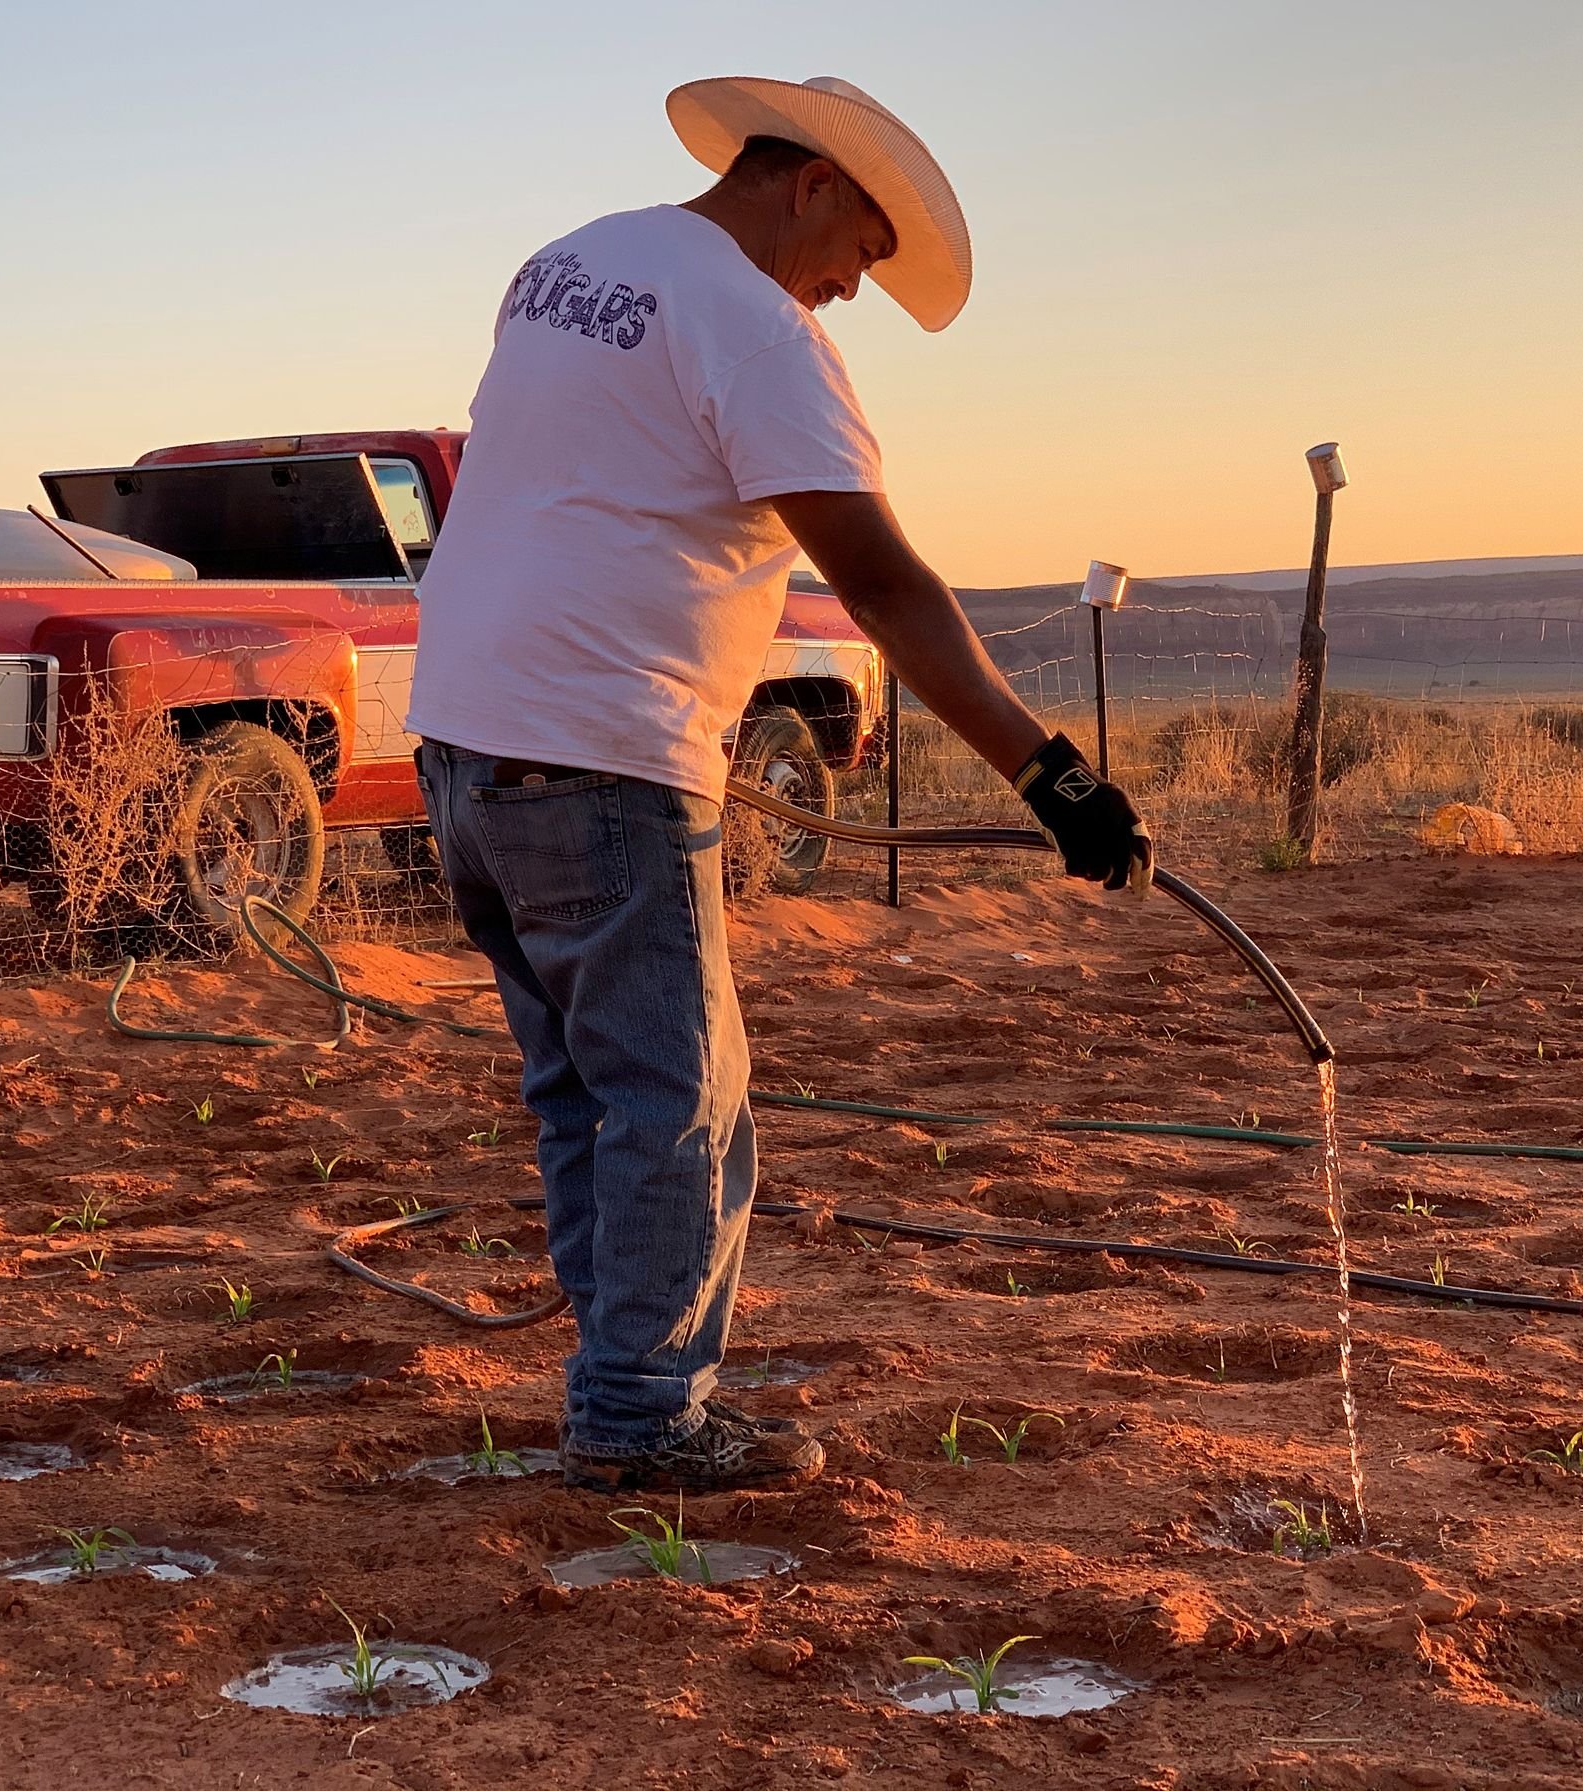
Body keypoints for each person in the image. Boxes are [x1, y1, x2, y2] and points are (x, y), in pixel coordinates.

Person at [406, 75, 1149, 1494]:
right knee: (681, 1103)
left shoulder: (569, 263)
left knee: (587, 1094)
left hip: (463, 748)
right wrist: (1053, 777)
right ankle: (641, 1418)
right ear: (810, 182)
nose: (849, 289)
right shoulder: (758, 328)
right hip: (604, 757)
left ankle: (618, 1380)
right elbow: (883, 585)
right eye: (860, 250)